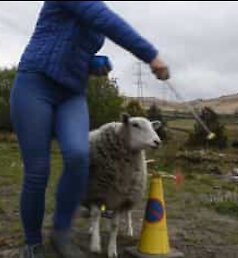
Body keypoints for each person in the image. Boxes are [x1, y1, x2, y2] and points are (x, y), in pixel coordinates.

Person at [10, 1, 169, 258]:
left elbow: (74, 45)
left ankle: (61, 233)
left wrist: (93, 63)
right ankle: (32, 244)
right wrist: (150, 54)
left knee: (78, 155)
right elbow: (104, 18)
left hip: (71, 93)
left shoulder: (94, 18)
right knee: (38, 171)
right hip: (35, 84)